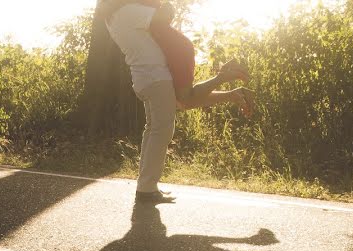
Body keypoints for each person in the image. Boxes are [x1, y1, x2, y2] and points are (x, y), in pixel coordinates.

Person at [103, 0, 253, 203]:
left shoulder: (118, 15)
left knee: (156, 128)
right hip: (154, 76)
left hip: (148, 77)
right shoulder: (126, 12)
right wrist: (165, 5)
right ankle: (146, 189)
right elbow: (164, 15)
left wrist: (227, 94)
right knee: (161, 129)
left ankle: (146, 187)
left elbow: (187, 100)